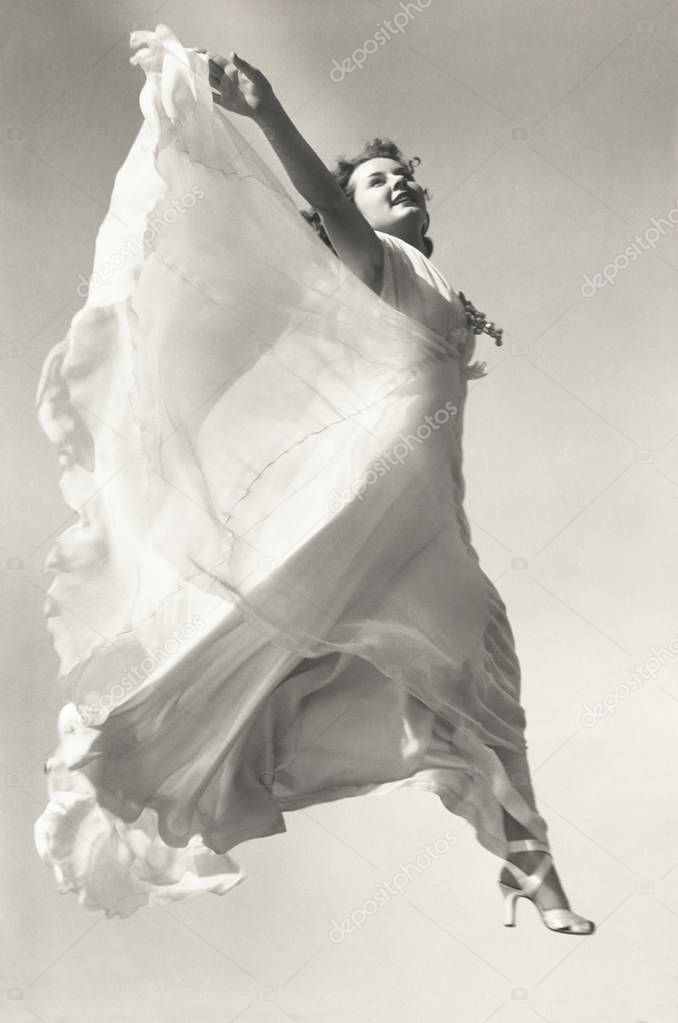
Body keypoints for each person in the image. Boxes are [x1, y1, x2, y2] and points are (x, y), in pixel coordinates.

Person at [34, 26, 594, 934]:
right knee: (266, 636)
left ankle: (530, 867)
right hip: (359, 502)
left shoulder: (433, 281)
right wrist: (266, 112)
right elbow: (325, 206)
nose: (398, 182)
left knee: (481, 664)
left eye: (404, 175)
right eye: (378, 181)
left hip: (424, 519)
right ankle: (128, 749)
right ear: (358, 216)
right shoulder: (380, 264)